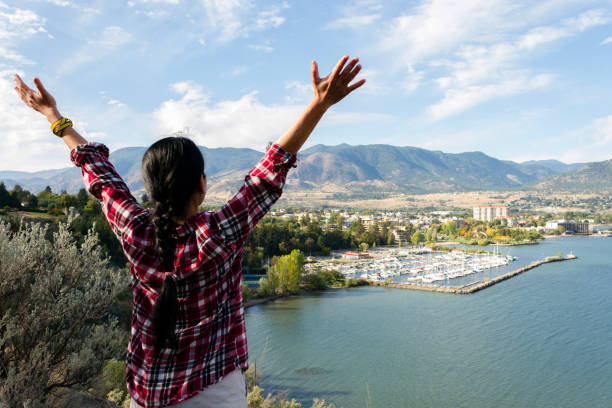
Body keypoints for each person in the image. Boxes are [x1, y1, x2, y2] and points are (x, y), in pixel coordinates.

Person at [13, 55, 365, 407]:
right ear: (202, 184)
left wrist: (52, 116)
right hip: (215, 393)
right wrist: (319, 105)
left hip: (148, 395)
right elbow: (269, 172)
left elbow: (98, 171)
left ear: (150, 189)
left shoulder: (135, 231)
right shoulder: (220, 233)